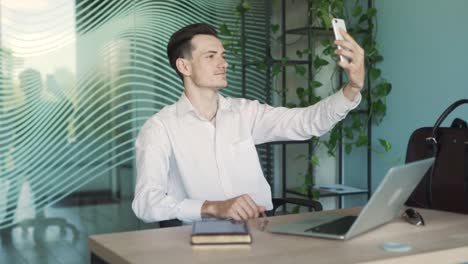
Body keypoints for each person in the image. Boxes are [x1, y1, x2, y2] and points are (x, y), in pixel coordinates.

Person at [132, 22, 364, 223]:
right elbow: (146, 203)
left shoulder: (245, 112)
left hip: (261, 230)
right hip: (199, 239)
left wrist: (352, 88)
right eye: (210, 56)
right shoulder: (160, 128)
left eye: (223, 56)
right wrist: (211, 208)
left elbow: (306, 123)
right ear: (184, 66)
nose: (223, 64)